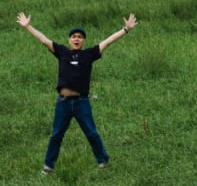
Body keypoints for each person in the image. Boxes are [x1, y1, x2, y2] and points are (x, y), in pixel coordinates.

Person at [17, 12, 138, 175]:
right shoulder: (62, 52)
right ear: (69, 40)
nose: (76, 39)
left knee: (91, 132)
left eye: (80, 37)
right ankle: (48, 167)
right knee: (56, 135)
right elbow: (43, 39)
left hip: (82, 102)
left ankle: (103, 161)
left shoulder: (89, 54)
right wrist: (28, 26)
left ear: (84, 40)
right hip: (63, 102)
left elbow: (108, 41)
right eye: (74, 36)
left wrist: (126, 29)